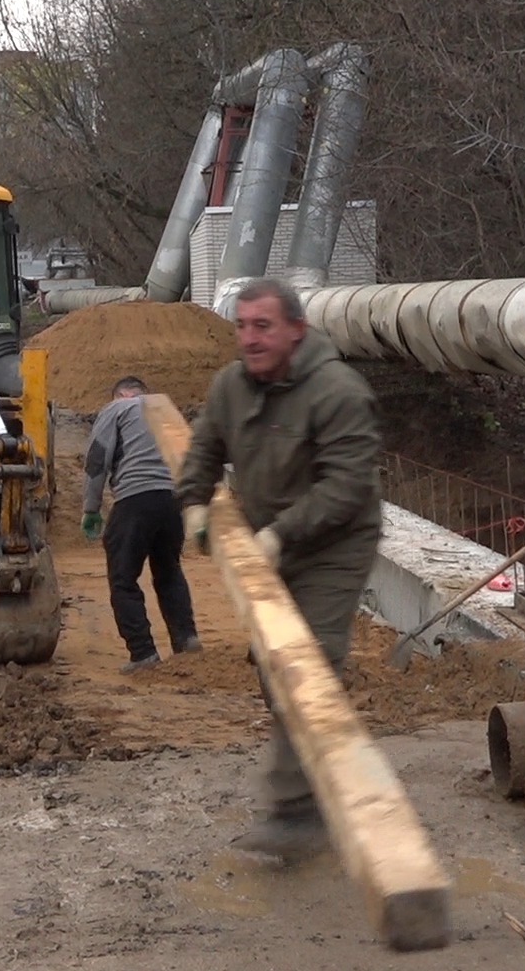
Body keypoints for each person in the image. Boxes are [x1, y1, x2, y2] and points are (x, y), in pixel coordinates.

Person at [175, 277, 383, 859]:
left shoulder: (339, 391)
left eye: (262, 326)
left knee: (305, 661)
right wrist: (193, 500)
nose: (249, 338)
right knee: (275, 671)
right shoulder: (230, 387)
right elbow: (202, 450)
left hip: (334, 544)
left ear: (296, 328)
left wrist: (280, 534)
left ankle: (296, 813)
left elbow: (346, 487)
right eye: (241, 326)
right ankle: (324, 764)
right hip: (269, 540)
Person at [82, 375, 199, 673]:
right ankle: (186, 640)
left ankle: (143, 653)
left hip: (134, 499)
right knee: (169, 571)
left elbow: (97, 460)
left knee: (123, 579)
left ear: (121, 394)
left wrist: (91, 508)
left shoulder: (117, 408)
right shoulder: (165, 410)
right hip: (172, 501)